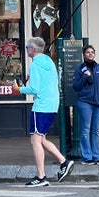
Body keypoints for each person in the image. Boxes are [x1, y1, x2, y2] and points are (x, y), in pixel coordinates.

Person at [16, 37, 74, 187]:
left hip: (41, 106)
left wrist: (18, 89)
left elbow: (35, 89)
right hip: (52, 104)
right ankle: (64, 162)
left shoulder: (35, 65)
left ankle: (41, 176)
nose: (27, 49)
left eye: (28, 47)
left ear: (33, 50)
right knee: (41, 139)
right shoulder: (49, 62)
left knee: (35, 141)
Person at [72, 44, 99, 166]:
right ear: (84, 55)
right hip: (85, 102)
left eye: (92, 52)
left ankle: (97, 156)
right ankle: (87, 157)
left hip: (98, 103)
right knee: (85, 130)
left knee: (96, 130)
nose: (90, 54)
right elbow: (76, 86)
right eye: (88, 52)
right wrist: (84, 77)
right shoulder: (80, 69)